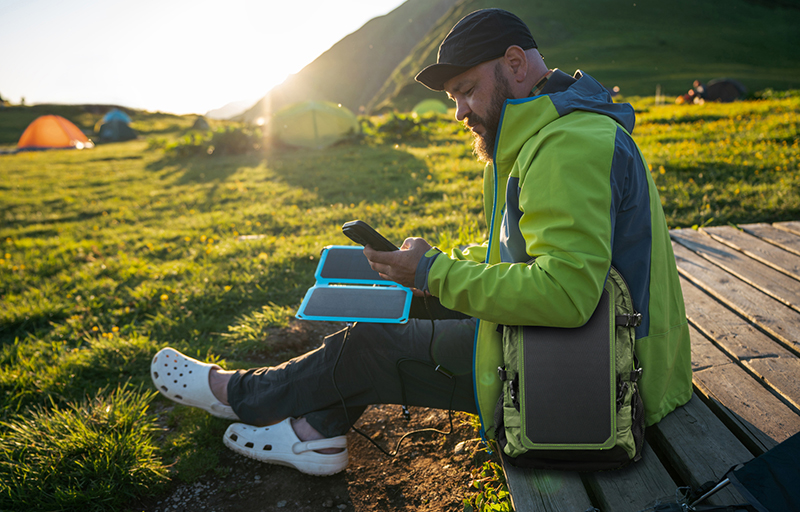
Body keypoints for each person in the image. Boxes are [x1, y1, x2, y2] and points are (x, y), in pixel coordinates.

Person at [152, 8, 692, 477]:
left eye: (465, 91)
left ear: (515, 64)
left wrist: (435, 273)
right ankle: (315, 428)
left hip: (607, 385)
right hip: (607, 353)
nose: (458, 111)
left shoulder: (566, 146)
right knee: (410, 302)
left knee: (375, 342)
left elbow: (566, 294)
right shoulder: (558, 131)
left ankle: (238, 395)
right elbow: (533, 261)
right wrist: (436, 266)